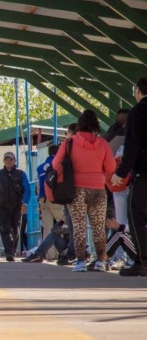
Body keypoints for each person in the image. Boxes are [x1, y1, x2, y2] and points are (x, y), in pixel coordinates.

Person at [54, 110, 116, 272]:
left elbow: (55, 164)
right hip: (98, 189)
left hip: (76, 189)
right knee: (98, 227)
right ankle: (101, 261)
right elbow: (111, 167)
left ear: (79, 124)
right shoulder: (103, 143)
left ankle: (80, 261)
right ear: (95, 125)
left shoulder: (69, 143)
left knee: (79, 226)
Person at [112, 77, 147, 276]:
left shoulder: (138, 111)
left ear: (138, 92)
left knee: (135, 214)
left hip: (144, 174)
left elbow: (132, 145)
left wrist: (121, 172)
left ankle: (142, 260)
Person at [0, 152, 31, 262]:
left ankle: (13, 249)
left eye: (10, 159)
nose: (8, 161)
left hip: (17, 206)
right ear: (3, 161)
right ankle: (9, 252)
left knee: (15, 229)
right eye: (6, 159)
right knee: (5, 229)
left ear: (14, 161)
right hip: (2, 207)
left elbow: (27, 190)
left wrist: (25, 203)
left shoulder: (21, 174)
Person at [36, 144, 65, 259]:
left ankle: (50, 255)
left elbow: (38, 186)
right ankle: (63, 252)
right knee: (63, 225)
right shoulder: (59, 164)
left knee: (47, 227)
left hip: (43, 198)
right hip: (56, 198)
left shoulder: (40, 167)